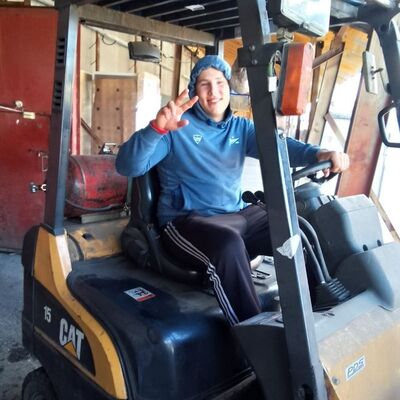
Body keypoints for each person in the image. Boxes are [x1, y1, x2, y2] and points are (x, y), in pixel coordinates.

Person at [116, 55, 350, 325]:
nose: (213, 91)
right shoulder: (176, 128)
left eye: (219, 82)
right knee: (228, 246)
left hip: (236, 215)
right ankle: (256, 335)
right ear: (194, 90)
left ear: (229, 86)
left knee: (298, 229)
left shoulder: (241, 128)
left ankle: (320, 317)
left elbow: (279, 146)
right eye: (204, 84)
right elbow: (128, 166)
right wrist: (156, 129)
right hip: (186, 222)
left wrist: (319, 154)